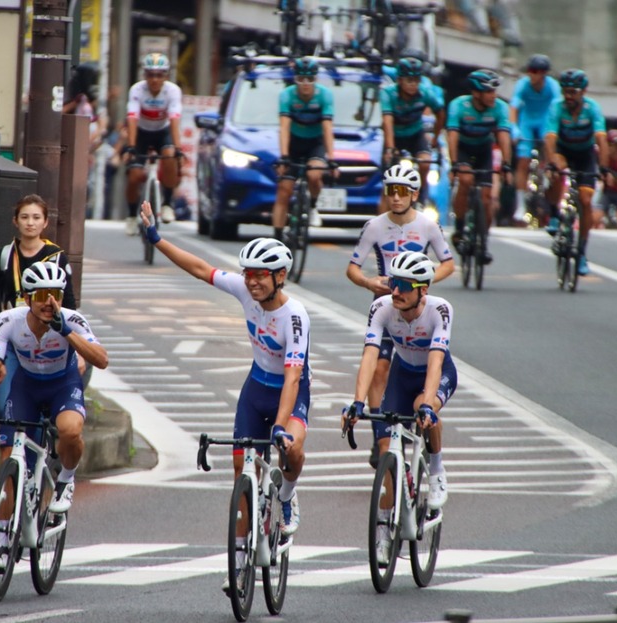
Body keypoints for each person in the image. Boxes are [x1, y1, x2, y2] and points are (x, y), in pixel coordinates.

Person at [138, 202, 309, 585]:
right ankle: (239, 558)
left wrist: (281, 427)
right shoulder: (246, 291)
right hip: (255, 389)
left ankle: (287, 496)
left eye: (261, 276)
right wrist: (157, 239)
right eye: (248, 275)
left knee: (292, 449)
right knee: (240, 473)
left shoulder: (295, 316)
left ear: (280, 276)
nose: (252, 282)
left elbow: (294, 377)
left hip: (289, 391)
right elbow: (200, 269)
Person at [0, 262, 108, 522]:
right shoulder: (8, 321)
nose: (49, 302)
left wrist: (65, 330)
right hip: (27, 387)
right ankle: (4, 539)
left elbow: (102, 359)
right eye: (41, 295)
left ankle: (65, 479)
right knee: (9, 460)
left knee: (70, 430)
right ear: (27, 298)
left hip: (62, 385)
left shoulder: (72, 320)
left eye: (56, 294)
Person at [342, 251, 456, 566]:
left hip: (435, 374)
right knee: (389, 450)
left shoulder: (440, 311)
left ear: (423, 290)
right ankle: (383, 534)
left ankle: (435, 471)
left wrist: (429, 406)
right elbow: (369, 354)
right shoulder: (381, 308)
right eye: (394, 282)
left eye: (404, 285)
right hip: (401, 376)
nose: (395, 291)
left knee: (424, 406)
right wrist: (358, 401)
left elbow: (435, 361)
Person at [347, 165, 453, 466]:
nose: (395, 197)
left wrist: (423, 279)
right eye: (390, 191)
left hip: (416, 305)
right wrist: (370, 282)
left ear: (414, 194)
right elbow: (351, 268)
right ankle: (381, 435)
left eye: (402, 192)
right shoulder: (374, 226)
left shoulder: (428, 226)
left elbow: (448, 263)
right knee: (378, 369)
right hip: (385, 306)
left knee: (419, 366)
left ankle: (418, 444)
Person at [0, 194, 78, 446]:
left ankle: (35, 461)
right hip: (15, 337)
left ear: (45, 223)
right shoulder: (3, 256)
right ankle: (17, 469)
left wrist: (74, 345)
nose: (30, 223)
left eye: (36, 217)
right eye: (25, 217)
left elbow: (69, 303)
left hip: (49, 338)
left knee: (40, 412)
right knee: (6, 405)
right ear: (15, 221)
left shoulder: (56, 256)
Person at [544, 68, 608, 276]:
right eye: (566, 92)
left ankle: (581, 251)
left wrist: (604, 167)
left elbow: (601, 139)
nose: (569, 96)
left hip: (585, 154)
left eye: (573, 92)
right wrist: (552, 161)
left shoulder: (592, 109)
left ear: (583, 92)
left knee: (586, 200)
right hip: (563, 151)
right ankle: (554, 214)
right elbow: (551, 138)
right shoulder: (557, 107)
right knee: (556, 170)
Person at [446, 69, 513, 264]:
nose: (494, 96)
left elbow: (503, 136)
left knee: (487, 200)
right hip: (463, 148)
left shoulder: (500, 107)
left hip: (483, 149)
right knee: (465, 180)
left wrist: (506, 165)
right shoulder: (458, 105)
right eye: (489, 92)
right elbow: (452, 135)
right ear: (476, 93)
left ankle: (483, 243)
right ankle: (459, 228)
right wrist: (455, 164)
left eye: (494, 91)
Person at [273, 57, 338, 237]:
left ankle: (312, 206)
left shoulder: (325, 95)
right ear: (295, 79)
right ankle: (278, 235)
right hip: (294, 142)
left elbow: (327, 128)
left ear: (315, 80)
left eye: (310, 79)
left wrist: (331, 158)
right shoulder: (287, 95)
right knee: (284, 189)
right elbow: (284, 127)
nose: (305, 83)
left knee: (314, 174)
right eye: (301, 79)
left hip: (314, 143)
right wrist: (284, 156)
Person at [123, 53, 182, 234]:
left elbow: (174, 119)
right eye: (150, 74)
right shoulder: (137, 90)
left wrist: (178, 148)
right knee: (134, 175)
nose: (154, 79)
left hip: (163, 132)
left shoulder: (172, 91)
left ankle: (167, 204)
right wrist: (132, 146)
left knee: (170, 156)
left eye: (159, 75)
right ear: (145, 75)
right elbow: (132, 118)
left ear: (166, 76)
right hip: (141, 132)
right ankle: (132, 215)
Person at [379, 56, 445, 214]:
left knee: (425, 162)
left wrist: (435, 138)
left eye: (417, 80)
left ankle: (419, 195)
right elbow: (387, 121)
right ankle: (380, 225)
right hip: (394, 136)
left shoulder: (425, 93)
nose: (414, 84)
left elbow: (441, 114)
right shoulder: (388, 94)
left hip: (415, 134)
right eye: (409, 80)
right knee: (389, 182)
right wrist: (390, 148)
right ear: (400, 80)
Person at [509, 54, 560, 224]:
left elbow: (558, 108)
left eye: (535, 71)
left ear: (543, 73)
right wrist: (514, 128)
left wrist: (555, 131)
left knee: (549, 146)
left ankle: (546, 174)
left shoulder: (553, 86)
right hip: (527, 122)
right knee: (523, 161)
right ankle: (520, 205)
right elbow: (514, 107)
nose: (530, 74)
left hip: (545, 120)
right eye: (529, 71)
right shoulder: (522, 85)